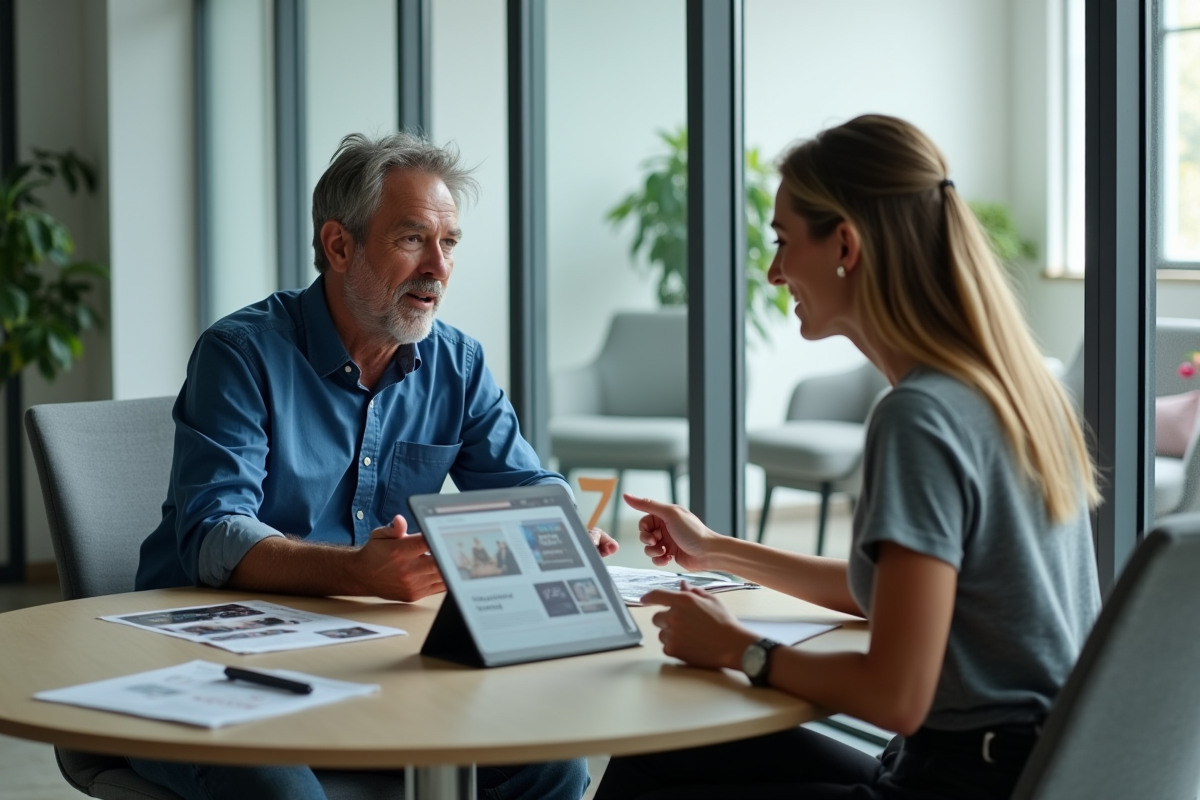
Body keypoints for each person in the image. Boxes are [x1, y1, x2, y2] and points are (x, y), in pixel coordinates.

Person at [594, 115, 1101, 800]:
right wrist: (714, 549)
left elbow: (897, 695)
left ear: (845, 244)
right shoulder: (1011, 390)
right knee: (664, 750)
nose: (774, 272)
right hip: (1019, 771)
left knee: (657, 766)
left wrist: (738, 649)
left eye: (782, 242)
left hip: (955, 785)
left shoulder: (919, 415)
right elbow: (894, 594)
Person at [132, 132, 614, 800]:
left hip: (373, 658)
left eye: (449, 243)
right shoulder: (240, 354)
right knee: (281, 790)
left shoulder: (458, 363)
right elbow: (214, 533)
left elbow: (527, 485)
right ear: (339, 245)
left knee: (550, 760)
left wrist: (561, 527)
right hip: (213, 665)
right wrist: (355, 571)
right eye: (413, 239)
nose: (438, 268)